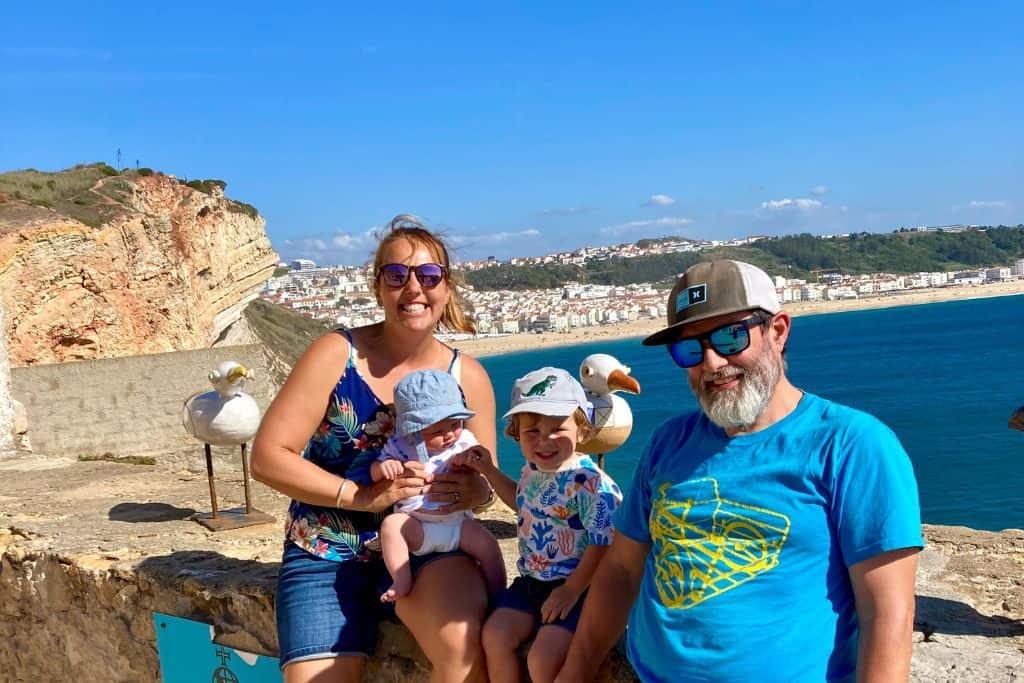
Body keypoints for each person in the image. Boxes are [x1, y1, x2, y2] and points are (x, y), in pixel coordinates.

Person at [556, 259, 924, 683]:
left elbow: (887, 611)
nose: (712, 363)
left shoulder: (853, 445)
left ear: (778, 331)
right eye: (690, 349)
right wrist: (578, 666)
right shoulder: (667, 442)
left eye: (730, 337)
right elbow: (622, 569)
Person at [251, 215, 498, 683]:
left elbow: (488, 483)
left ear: (447, 289)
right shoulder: (336, 354)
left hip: (429, 546)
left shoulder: (469, 378)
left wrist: (472, 494)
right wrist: (359, 496)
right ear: (378, 285)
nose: (413, 288)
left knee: (464, 650)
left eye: (428, 276)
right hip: (328, 547)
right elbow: (268, 456)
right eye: (396, 275)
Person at [456, 367, 622, 683]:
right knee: (494, 635)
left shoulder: (590, 483)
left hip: (579, 586)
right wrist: (489, 471)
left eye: (558, 429)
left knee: (543, 659)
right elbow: (523, 502)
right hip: (532, 580)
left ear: (582, 431)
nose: (544, 441)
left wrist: (572, 590)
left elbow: (604, 541)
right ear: (515, 434)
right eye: (531, 431)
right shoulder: (533, 470)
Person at [372, 368, 506, 603]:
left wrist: (470, 461)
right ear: (413, 429)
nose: (449, 435)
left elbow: (482, 462)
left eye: (455, 424)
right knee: (391, 527)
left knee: (489, 547)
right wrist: (385, 468)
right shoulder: (401, 445)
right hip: (417, 524)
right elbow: (376, 468)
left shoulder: (463, 441)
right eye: (437, 431)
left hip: (457, 525)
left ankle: (498, 593)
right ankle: (402, 579)